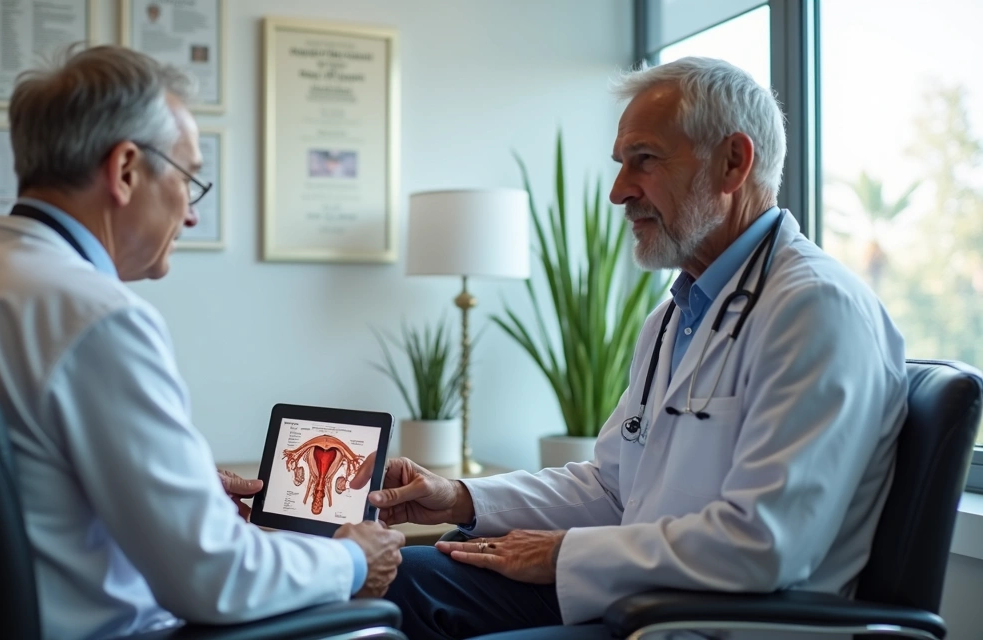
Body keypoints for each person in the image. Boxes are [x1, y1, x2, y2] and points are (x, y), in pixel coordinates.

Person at [0, 45, 404, 640]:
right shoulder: (97, 317)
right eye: (188, 179)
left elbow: (23, 496)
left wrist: (181, 487)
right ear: (125, 169)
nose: (192, 216)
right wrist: (354, 557)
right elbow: (215, 579)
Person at [373, 56, 908, 640]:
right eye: (622, 164)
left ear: (733, 162)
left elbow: (763, 546)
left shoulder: (814, 310)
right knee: (405, 578)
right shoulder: (679, 313)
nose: (619, 192)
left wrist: (562, 554)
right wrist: (459, 497)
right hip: (639, 596)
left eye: (644, 160)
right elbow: (610, 487)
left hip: (713, 622)